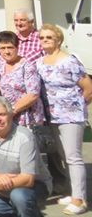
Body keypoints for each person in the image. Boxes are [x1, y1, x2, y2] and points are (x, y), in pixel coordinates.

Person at [36, 23, 92, 215]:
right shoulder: (41, 62)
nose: (45, 41)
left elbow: (88, 87)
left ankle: (80, 199)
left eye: (49, 37)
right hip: (52, 116)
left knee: (73, 157)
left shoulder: (69, 61)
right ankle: (72, 191)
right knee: (63, 156)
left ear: (58, 39)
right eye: (42, 37)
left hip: (71, 116)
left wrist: (77, 107)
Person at [0, 96, 51, 217]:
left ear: (11, 115)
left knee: (19, 197)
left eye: (2, 114)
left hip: (33, 186)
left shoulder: (24, 137)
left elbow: (28, 179)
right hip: (2, 189)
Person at [0, 30, 44, 127]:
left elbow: (33, 94)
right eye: (2, 48)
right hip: (4, 116)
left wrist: (11, 111)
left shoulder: (27, 66)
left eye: (10, 48)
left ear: (17, 47)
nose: (7, 52)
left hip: (26, 115)